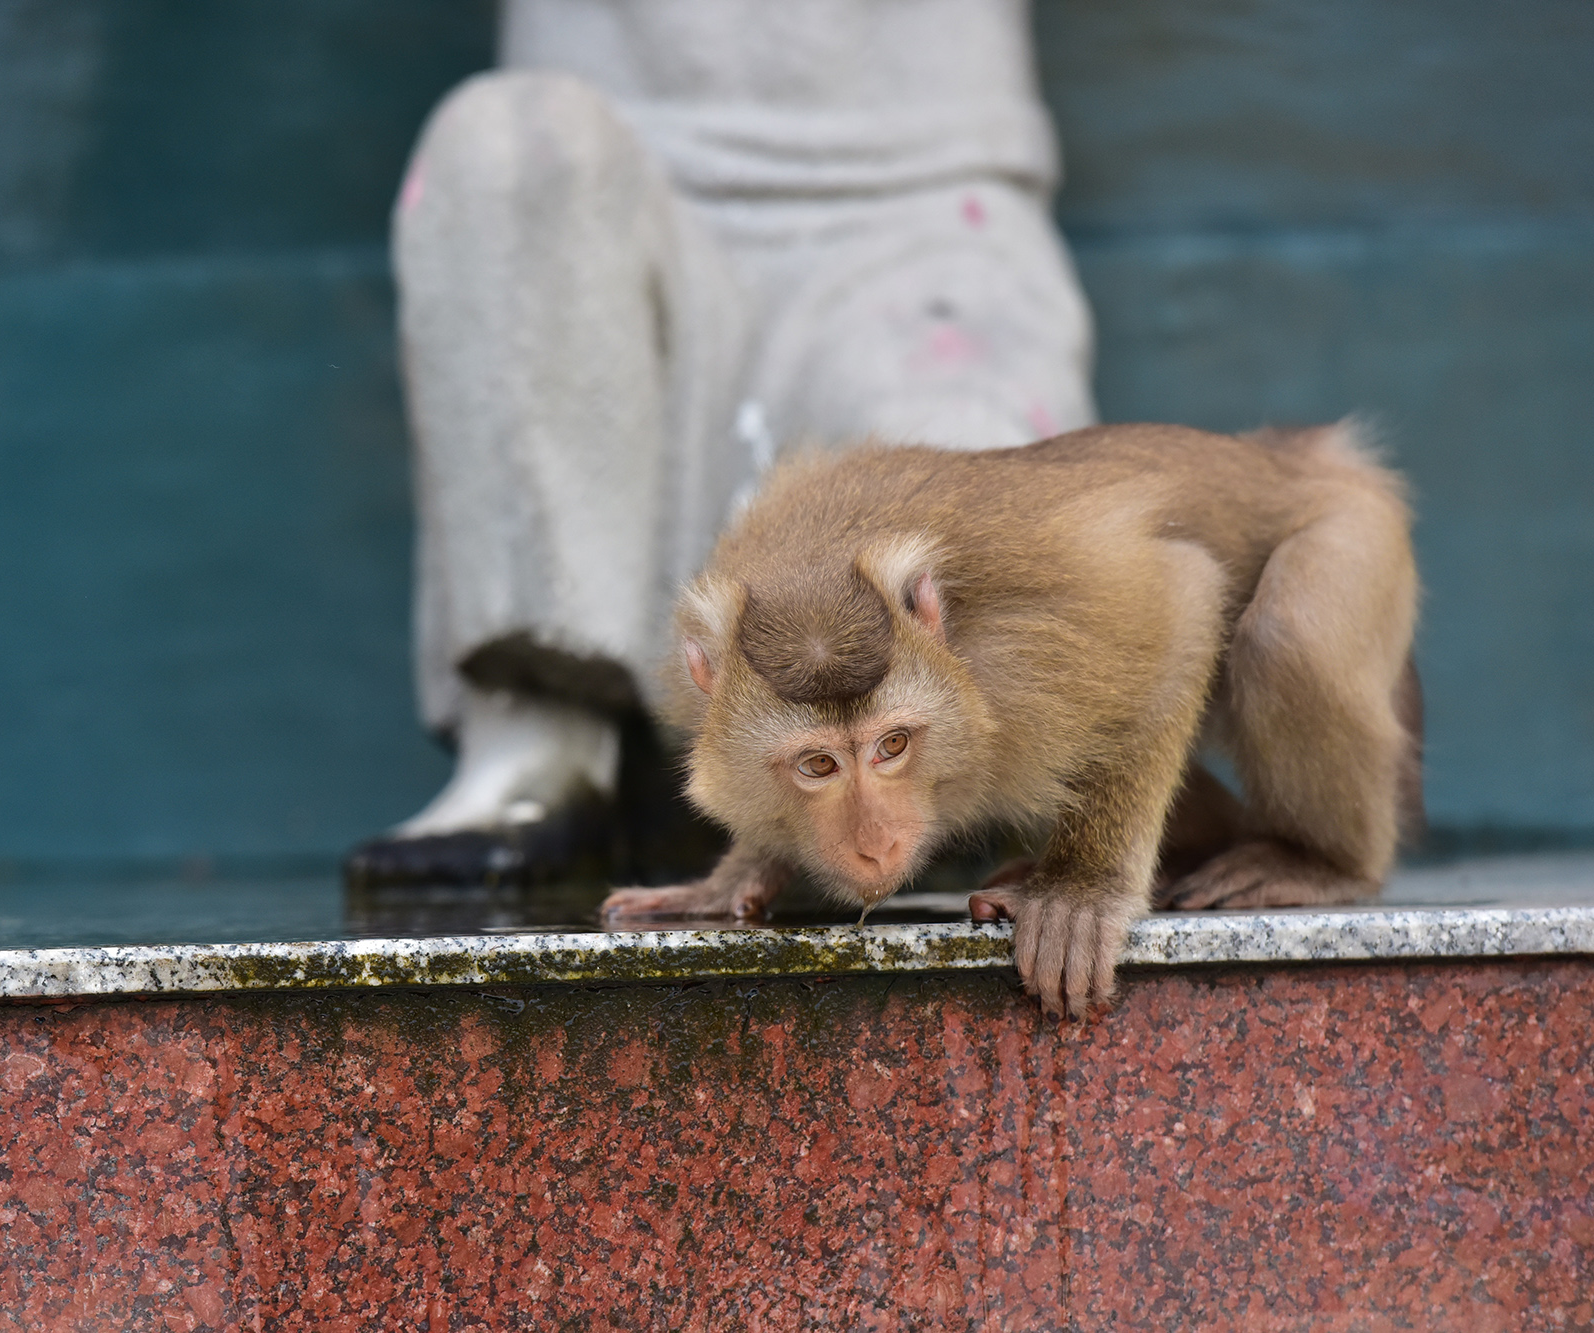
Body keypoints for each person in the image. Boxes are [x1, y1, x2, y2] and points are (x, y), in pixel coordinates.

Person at [347, 0, 1096, 885]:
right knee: (506, 145)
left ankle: (950, 788)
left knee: (964, 457)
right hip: (628, 189)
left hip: (922, 199)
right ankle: (542, 744)